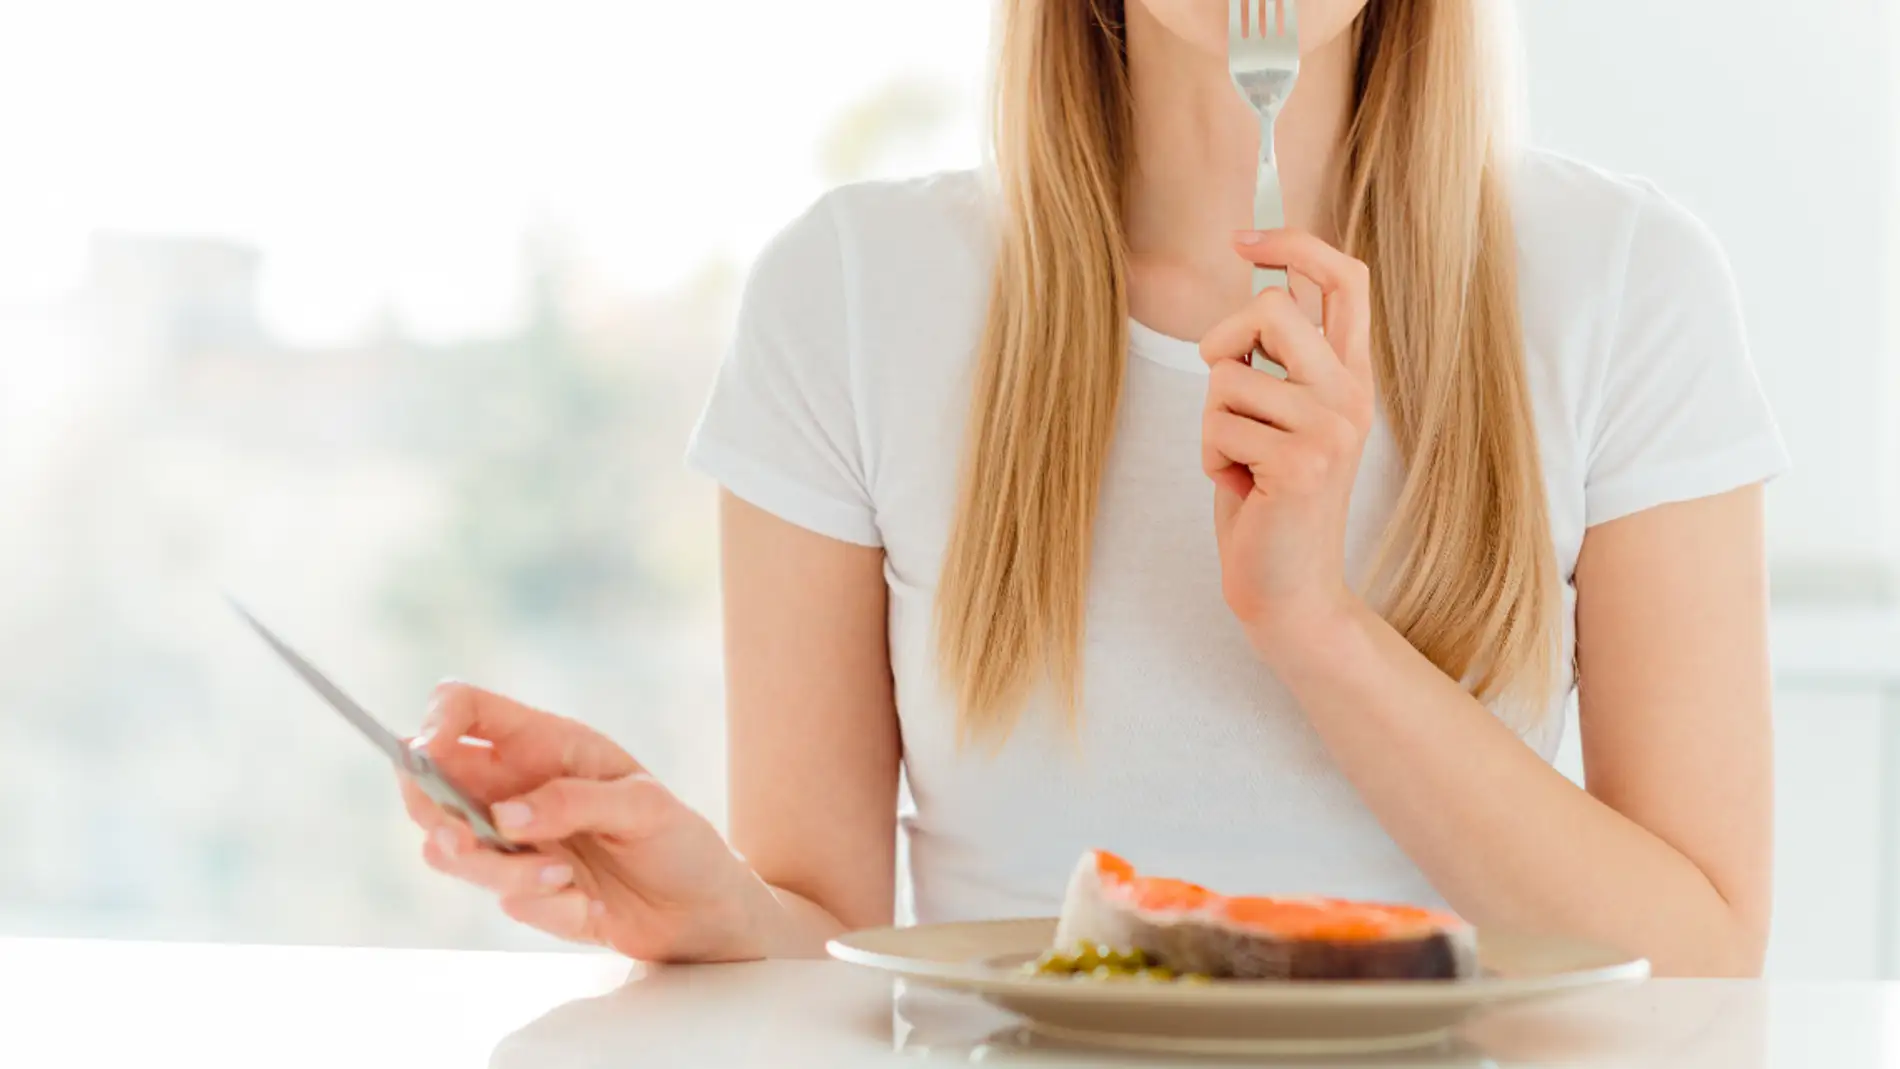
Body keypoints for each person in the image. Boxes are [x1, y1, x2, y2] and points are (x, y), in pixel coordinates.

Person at [401, 0, 1789, 977]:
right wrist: (702, 909)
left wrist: (1320, 631)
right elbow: (828, 949)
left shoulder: (1621, 286)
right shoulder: (852, 295)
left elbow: (1701, 959)